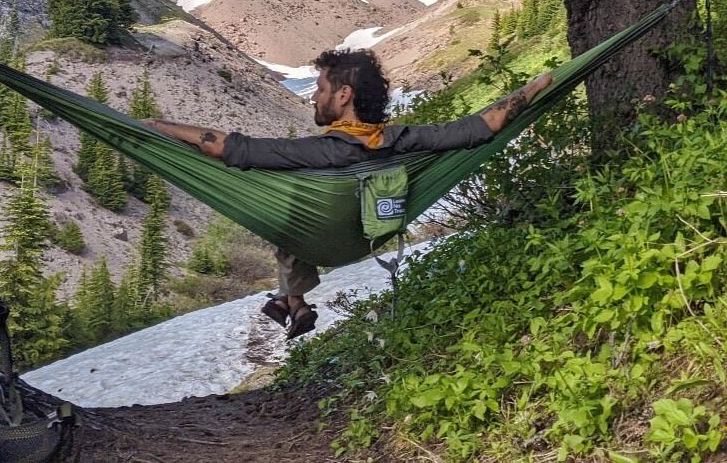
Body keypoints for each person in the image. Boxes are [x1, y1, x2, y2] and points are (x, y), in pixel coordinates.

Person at [145, 48, 552, 338]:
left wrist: (158, 127)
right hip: (371, 232)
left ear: (343, 95)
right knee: (295, 224)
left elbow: (226, 146)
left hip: (325, 239)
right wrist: (538, 86)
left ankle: (293, 301)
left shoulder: (320, 151)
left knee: (289, 220)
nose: (314, 96)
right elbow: (485, 125)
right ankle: (293, 303)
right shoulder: (405, 139)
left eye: (320, 89)